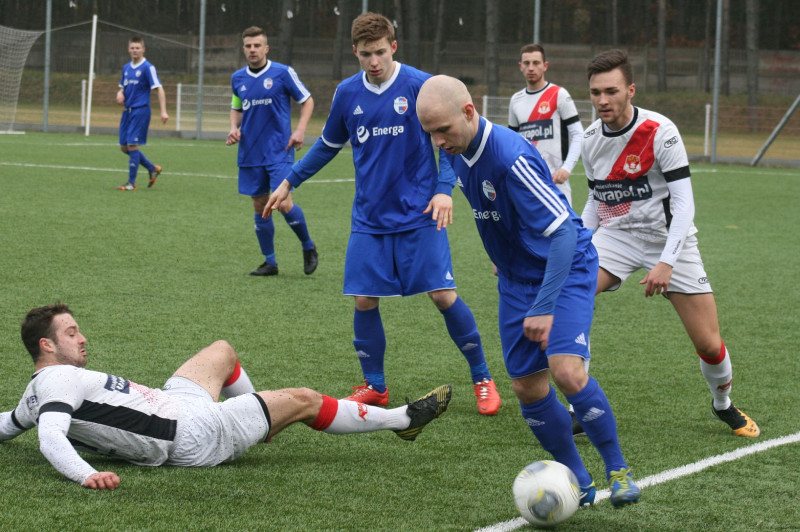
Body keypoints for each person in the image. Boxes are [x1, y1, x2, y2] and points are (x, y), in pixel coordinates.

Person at [417, 74, 641, 508]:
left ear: (468, 112)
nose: (438, 141)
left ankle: (619, 469)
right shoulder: (458, 151)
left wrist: (543, 305)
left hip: (566, 266)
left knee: (566, 371)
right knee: (527, 389)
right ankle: (579, 477)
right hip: (516, 280)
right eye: (430, 134)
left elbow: (562, 235)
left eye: (442, 130)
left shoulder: (510, 157)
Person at [262, 13, 501, 416]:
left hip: (420, 214)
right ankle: (375, 386)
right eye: (366, 54)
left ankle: (482, 377)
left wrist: (445, 191)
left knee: (443, 296)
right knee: (364, 300)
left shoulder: (421, 86)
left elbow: (447, 143)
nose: (374, 61)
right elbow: (326, 145)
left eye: (380, 52)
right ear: (355, 52)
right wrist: (289, 181)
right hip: (369, 219)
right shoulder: (347, 93)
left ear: (394, 46)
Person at [0, 303, 452, 490]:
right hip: (191, 436)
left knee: (221, 352)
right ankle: (401, 421)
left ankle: (259, 422)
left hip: (175, 402)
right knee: (304, 398)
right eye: (71, 332)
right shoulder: (56, 383)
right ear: (47, 346)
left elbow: (9, 426)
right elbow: (52, 439)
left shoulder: (36, 393)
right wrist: (86, 476)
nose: (82, 338)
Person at [580, 49, 759, 438]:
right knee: (572, 295)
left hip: (669, 238)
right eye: (595, 93)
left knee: (709, 345)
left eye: (611, 91)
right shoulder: (590, 140)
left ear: (631, 90)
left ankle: (723, 405)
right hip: (617, 236)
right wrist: (574, 246)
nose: (602, 101)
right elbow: (596, 201)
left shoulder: (661, 132)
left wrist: (666, 261)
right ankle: (583, 405)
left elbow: (684, 203)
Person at [227, 26, 318, 277]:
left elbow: (307, 100)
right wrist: (233, 127)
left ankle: (308, 246)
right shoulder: (238, 78)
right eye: (248, 46)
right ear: (244, 48)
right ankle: (270, 262)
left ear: (266, 48)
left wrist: (300, 130)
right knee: (260, 205)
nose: (252, 50)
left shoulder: (282, 73)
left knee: (283, 202)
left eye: (257, 45)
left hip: (279, 150)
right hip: (250, 153)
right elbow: (237, 106)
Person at [508, 44, 582, 206]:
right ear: (520, 67)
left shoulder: (558, 95)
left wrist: (566, 168)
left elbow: (578, 134)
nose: (531, 68)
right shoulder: (516, 100)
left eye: (536, 63)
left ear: (545, 66)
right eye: (526, 63)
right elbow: (511, 142)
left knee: (564, 231)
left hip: (556, 183)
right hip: (527, 183)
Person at [115, 36, 168, 191]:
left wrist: (163, 111)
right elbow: (122, 87)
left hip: (141, 110)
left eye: (138, 48)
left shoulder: (147, 68)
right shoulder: (126, 68)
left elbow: (159, 88)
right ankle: (152, 168)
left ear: (143, 49)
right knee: (124, 147)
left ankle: (131, 183)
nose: (135, 51)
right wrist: (120, 93)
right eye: (132, 48)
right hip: (127, 111)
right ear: (128, 49)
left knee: (132, 145)